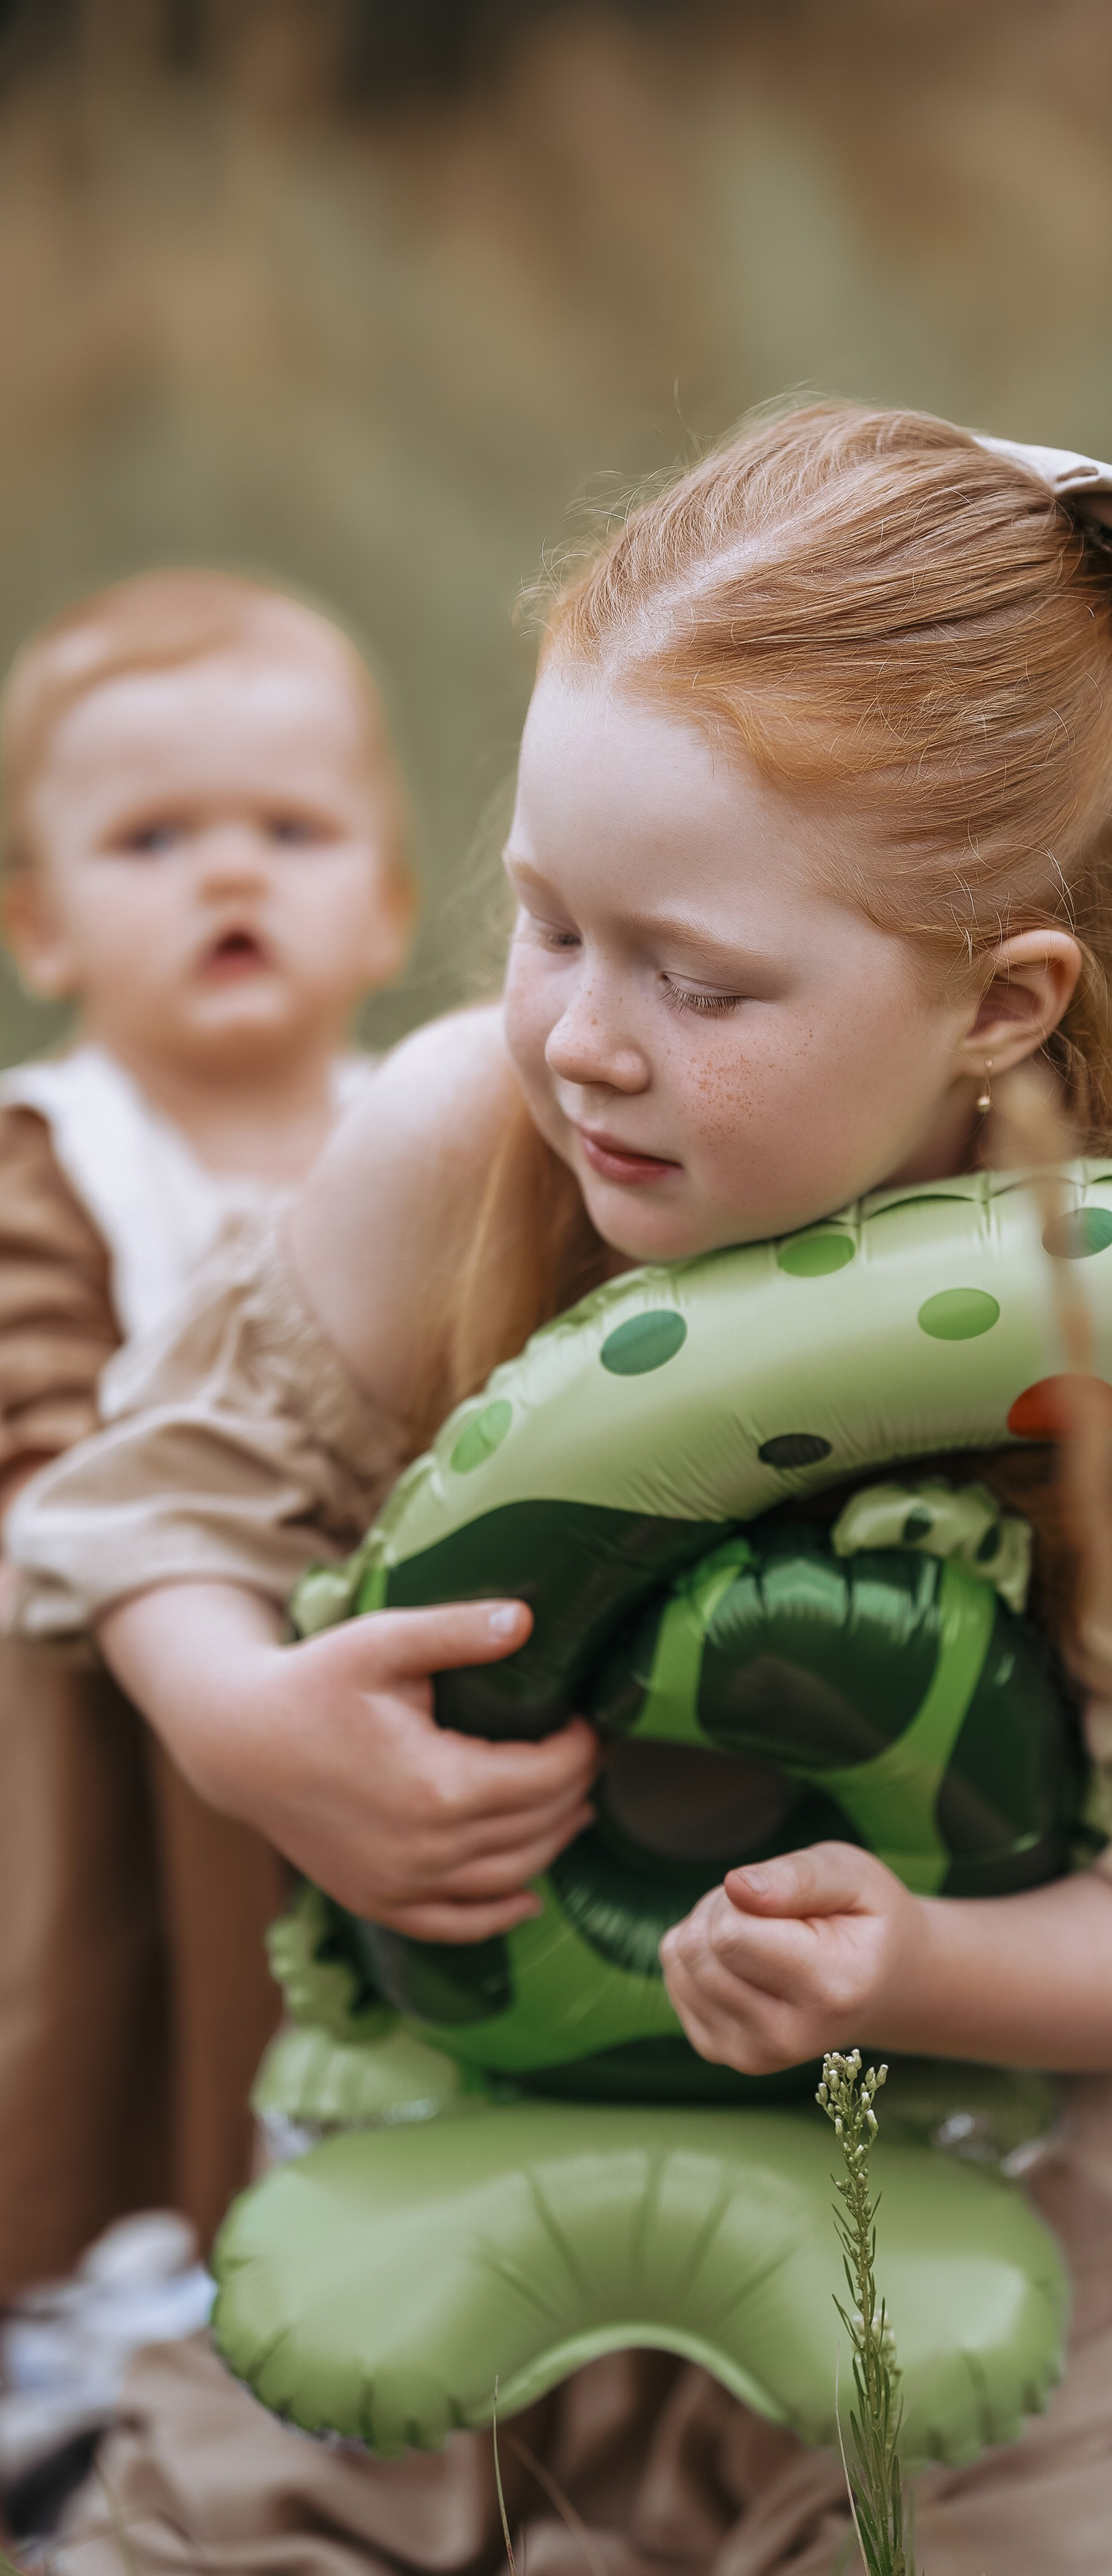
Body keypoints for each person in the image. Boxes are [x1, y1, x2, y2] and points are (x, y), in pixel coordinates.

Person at [6, 411, 1112, 2576]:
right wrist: (257, 1730)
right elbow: (156, 1509)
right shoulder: (460, 1150)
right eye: (543, 924)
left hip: (1035, 2188)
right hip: (528, 2136)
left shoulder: (1093, 1330)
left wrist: (922, 1968)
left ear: (999, 1006)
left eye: (698, 982)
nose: (588, 1040)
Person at [0, 570, 414, 2298]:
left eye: (292, 831)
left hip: (385, 1650)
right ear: (40, 927)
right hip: (110, 1692)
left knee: (372, 2000)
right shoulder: (54, 1153)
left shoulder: (422, 1131)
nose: (231, 873)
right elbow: (32, 1418)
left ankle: (364, 2283)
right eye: (155, 840)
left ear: (388, 905)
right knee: (110, 1990)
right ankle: (94, 2297)